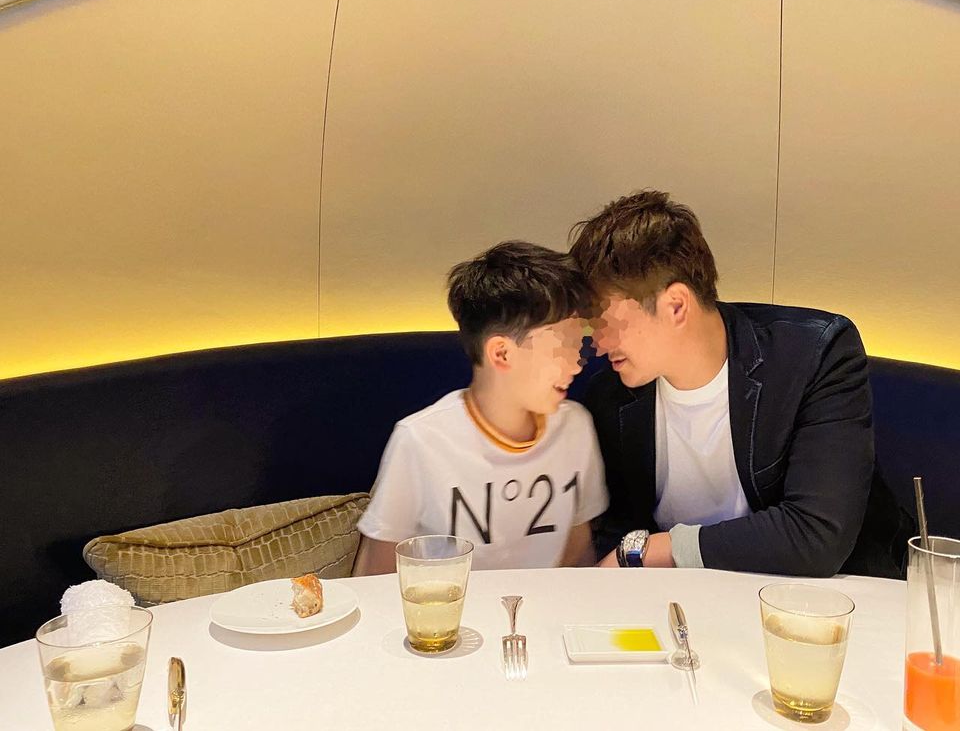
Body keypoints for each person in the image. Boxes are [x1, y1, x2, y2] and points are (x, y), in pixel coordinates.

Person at [568, 190, 912, 576]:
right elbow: (616, 529)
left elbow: (817, 534)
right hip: (680, 600)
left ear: (676, 306)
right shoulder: (611, 395)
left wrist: (655, 549)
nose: (598, 343)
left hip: (832, 596)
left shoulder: (813, 356)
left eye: (606, 322)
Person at [353, 241, 608, 574]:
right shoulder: (421, 441)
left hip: (544, 604)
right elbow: (375, 575)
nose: (576, 365)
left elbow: (578, 551)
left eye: (579, 345)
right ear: (502, 353)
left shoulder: (575, 427)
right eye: (563, 346)